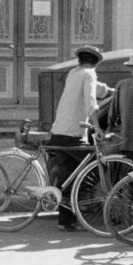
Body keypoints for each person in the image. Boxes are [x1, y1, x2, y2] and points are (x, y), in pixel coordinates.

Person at [48, 45, 103, 231]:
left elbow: (96, 89)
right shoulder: (89, 74)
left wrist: (109, 90)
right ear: (95, 63)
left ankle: (66, 221)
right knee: (95, 166)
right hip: (73, 133)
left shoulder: (74, 73)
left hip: (59, 132)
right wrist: (97, 128)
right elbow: (91, 103)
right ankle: (79, 204)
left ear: (80, 60)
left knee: (68, 176)